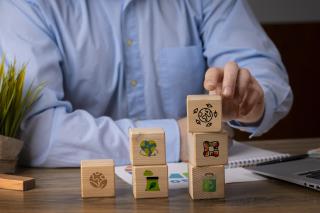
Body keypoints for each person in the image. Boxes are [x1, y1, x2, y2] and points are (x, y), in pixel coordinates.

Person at [0, 0, 293, 167]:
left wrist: (253, 101)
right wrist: (175, 141)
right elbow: (38, 132)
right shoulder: (25, 5)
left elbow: (262, 72)